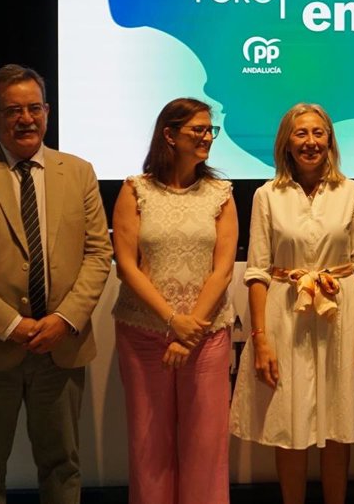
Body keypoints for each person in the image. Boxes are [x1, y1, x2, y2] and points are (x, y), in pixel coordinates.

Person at [0, 64, 113, 504]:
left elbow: (98, 254)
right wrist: (11, 324)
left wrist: (65, 318)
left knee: (63, 467)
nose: (26, 119)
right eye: (14, 110)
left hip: (61, 346)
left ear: (47, 111)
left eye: (34, 108)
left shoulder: (80, 171)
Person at [228, 102, 354, 504]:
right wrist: (260, 338)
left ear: (330, 140)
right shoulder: (267, 195)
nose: (311, 142)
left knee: (338, 423)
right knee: (290, 424)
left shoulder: (352, 192)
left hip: (341, 314)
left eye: (319, 133)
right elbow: (257, 271)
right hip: (287, 316)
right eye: (301, 133)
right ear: (286, 142)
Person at [111, 98, 237, 504]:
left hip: (206, 336)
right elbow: (127, 266)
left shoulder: (221, 193)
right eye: (198, 130)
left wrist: (188, 331)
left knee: (206, 447)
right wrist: (171, 320)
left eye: (210, 130)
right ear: (169, 134)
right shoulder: (135, 190)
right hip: (144, 334)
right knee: (149, 448)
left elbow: (223, 270)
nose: (207, 137)